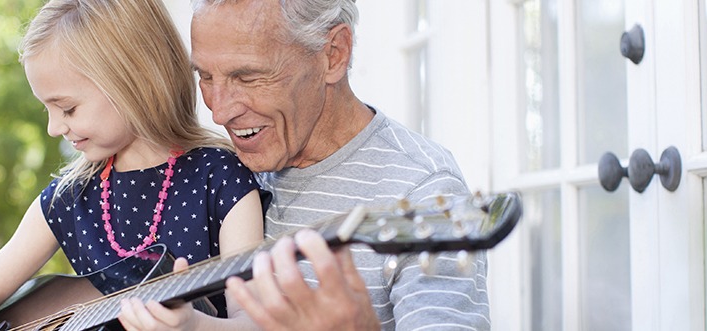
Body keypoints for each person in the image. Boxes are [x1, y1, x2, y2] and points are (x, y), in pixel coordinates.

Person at [0, 1, 265, 330]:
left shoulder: (220, 178)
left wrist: (194, 327)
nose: (54, 128)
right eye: (47, 109)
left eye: (67, 108)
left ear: (134, 82)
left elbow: (254, 322)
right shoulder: (67, 198)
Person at [186, 0, 490, 330]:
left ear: (334, 54)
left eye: (248, 77)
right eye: (205, 76)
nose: (219, 112)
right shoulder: (218, 173)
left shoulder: (422, 190)